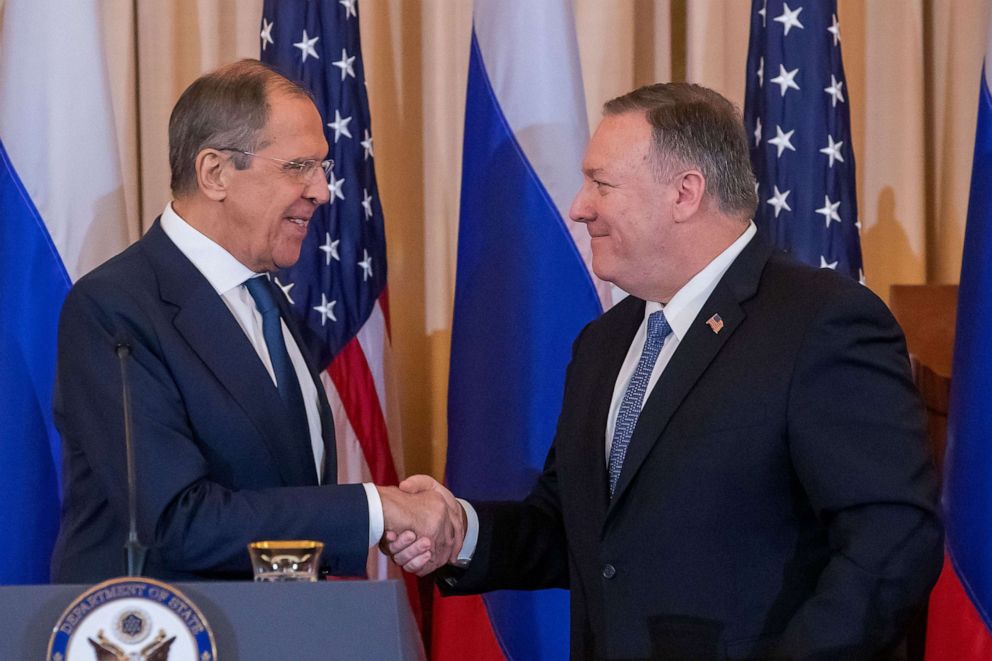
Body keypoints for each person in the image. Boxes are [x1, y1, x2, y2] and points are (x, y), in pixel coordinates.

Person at [386, 83, 943, 659]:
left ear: (685, 193)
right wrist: (459, 530)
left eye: (601, 183)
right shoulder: (603, 343)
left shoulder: (820, 321)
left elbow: (892, 539)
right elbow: (575, 529)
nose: (579, 206)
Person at [51, 60, 461, 583]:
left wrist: (382, 521)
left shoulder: (268, 304)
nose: (322, 192)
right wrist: (373, 510)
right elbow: (178, 522)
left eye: (323, 168)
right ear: (215, 173)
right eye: (298, 167)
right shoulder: (115, 308)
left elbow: (285, 493)